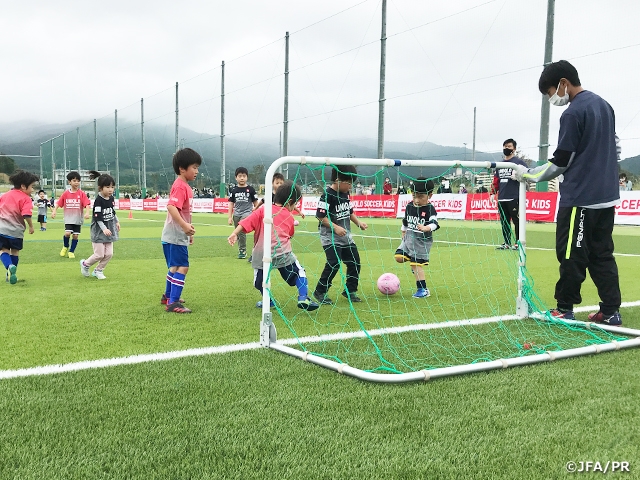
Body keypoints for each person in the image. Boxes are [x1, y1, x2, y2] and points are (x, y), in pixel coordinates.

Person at [513, 60, 622, 325]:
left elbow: (561, 160)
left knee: (571, 253)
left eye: (550, 92)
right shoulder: (605, 106)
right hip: (607, 197)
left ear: (563, 83)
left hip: (581, 198)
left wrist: (528, 174)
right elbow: (615, 148)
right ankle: (610, 311)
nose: (553, 98)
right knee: (602, 253)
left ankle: (564, 307)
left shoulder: (573, 113)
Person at [228, 180, 319, 311]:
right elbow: (290, 234)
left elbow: (246, 222)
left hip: (262, 253)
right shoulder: (289, 216)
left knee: (260, 282)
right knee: (299, 272)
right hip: (283, 252)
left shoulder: (264, 210)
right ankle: (303, 297)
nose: (294, 208)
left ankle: (269, 301)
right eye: (295, 204)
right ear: (289, 202)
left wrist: (234, 233)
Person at [312, 165, 368, 305]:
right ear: (337, 180)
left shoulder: (345, 194)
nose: (350, 186)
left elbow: (349, 212)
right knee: (334, 263)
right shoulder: (327, 195)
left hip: (346, 236)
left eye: (351, 183)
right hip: (330, 236)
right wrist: (335, 227)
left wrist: (358, 223)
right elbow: (320, 216)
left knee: (354, 262)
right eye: (348, 183)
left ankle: (350, 291)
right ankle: (320, 291)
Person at [160, 148, 202, 313]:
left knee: (174, 266)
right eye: (194, 167)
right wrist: (184, 226)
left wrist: (187, 230)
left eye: (197, 167)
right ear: (182, 169)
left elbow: (183, 211)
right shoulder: (181, 186)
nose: (197, 171)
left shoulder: (183, 186)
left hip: (173, 234)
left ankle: (168, 296)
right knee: (182, 267)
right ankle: (174, 303)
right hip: (176, 233)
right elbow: (171, 206)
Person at [394, 178, 439, 298]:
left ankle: (423, 290)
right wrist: (403, 230)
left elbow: (435, 223)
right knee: (399, 257)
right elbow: (406, 220)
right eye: (414, 196)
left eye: (421, 197)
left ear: (430, 195)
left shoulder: (430, 209)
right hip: (409, 237)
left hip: (421, 241)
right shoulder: (409, 206)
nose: (417, 200)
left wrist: (427, 228)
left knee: (415, 264)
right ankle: (415, 264)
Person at [80, 171, 120, 280]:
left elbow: (112, 211)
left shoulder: (111, 199)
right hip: (99, 232)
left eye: (112, 187)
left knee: (109, 254)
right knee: (99, 255)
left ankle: (98, 270)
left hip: (109, 230)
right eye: (107, 187)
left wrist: (117, 221)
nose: (111, 189)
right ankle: (85, 264)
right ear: (100, 188)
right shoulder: (98, 201)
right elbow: (97, 217)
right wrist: (104, 229)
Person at [0, 171, 38, 284]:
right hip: (16, 231)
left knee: (3, 251)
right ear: (23, 186)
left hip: (2, 229)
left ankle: (9, 266)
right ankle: (12, 273)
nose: (32, 190)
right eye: (31, 186)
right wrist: (31, 226)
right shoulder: (26, 199)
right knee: (15, 251)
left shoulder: (5, 195)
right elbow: (26, 214)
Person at [490, 138, 528, 250]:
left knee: (517, 221)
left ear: (514, 149)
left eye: (509, 146)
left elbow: (528, 176)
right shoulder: (499, 164)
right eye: (505, 146)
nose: (507, 148)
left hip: (514, 197)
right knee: (504, 222)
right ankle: (506, 243)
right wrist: (492, 193)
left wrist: (519, 177)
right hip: (502, 198)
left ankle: (518, 243)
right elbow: (496, 180)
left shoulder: (519, 163)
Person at [51, 171, 91, 259]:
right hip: (68, 218)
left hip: (77, 218)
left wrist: (87, 212)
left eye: (78, 181)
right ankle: (65, 246)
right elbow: (59, 203)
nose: (76, 182)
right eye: (74, 180)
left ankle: (71, 251)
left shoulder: (81, 193)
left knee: (75, 235)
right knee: (67, 233)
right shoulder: (66, 193)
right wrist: (54, 211)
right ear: (69, 182)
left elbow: (87, 204)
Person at [228, 167, 258, 259]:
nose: (242, 178)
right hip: (236, 214)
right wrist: (229, 216)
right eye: (240, 176)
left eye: (244, 176)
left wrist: (256, 213)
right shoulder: (233, 190)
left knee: (241, 232)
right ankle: (241, 249)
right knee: (238, 233)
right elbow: (231, 203)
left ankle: (242, 250)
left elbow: (255, 202)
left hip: (247, 213)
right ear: (236, 178)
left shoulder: (251, 189)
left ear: (247, 177)